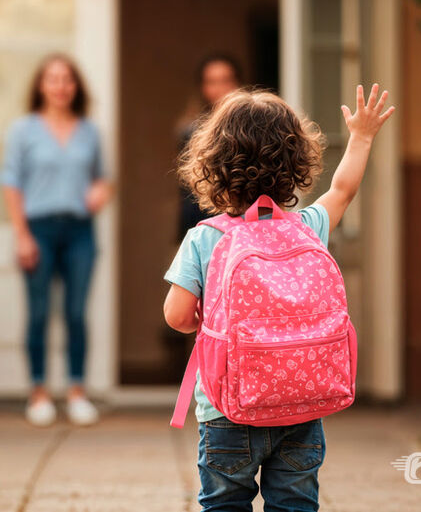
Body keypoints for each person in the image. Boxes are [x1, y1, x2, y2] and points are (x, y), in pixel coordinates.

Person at [163, 85, 394, 510]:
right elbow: (342, 190)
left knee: (224, 502)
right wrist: (361, 137)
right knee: (294, 503)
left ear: (212, 166)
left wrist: (216, 319)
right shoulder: (308, 228)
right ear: (296, 165)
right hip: (301, 403)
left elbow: (177, 317)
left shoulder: (205, 238)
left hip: (226, 410)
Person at [0, 54, 112, 427]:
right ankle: (39, 392)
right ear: (41, 86)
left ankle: (77, 391)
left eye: (67, 79)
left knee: (76, 313)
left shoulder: (89, 131)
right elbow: (11, 183)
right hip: (38, 230)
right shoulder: (23, 130)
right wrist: (22, 236)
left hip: (80, 230)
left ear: (75, 87)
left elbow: (103, 179)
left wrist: (101, 192)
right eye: (53, 79)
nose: (60, 86)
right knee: (39, 312)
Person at [176, 54, 243, 240]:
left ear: (237, 83)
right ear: (203, 87)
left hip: (240, 220)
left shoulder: (250, 127)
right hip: (200, 216)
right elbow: (189, 188)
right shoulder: (190, 130)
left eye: (225, 80)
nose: (219, 88)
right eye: (212, 82)